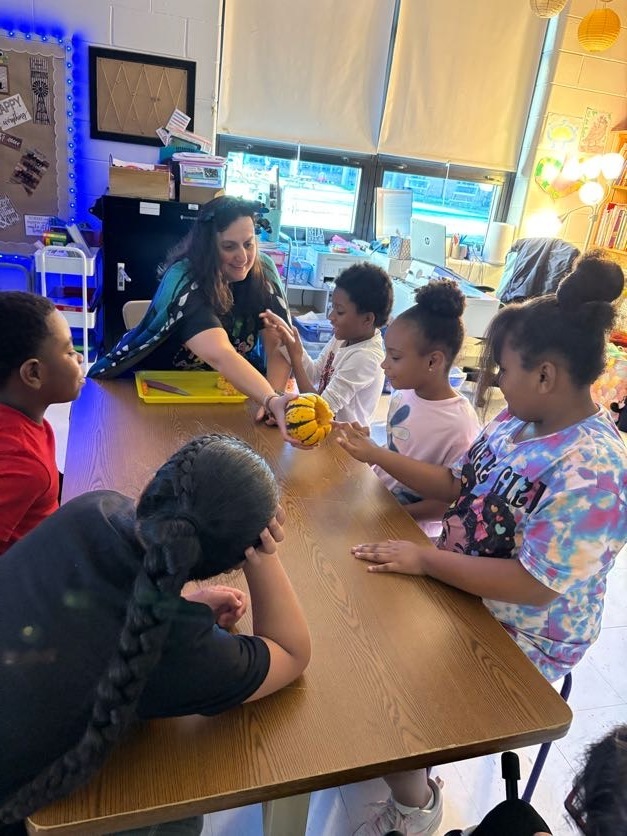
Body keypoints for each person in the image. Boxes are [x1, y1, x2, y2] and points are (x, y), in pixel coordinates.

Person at [336, 251, 627, 835]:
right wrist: (374, 455)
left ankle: (416, 806)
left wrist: (425, 559)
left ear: (545, 375)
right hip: (458, 585)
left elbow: (533, 586)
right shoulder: (514, 421)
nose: (493, 379)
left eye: (504, 369)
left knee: (387, 689)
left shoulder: (595, 469)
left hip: (520, 635)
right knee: (350, 631)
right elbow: (456, 484)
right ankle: (387, 767)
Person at [0, 433, 311, 835]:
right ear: (228, 558)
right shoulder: (175, 646)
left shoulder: (93, 508)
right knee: (177, 805)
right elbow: (291, 651)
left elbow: (91, 608)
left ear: (149, 489)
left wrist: (185, 606)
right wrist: (261, 552)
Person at [87, 196, 296, 439]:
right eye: (229, 247)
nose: (243, 257)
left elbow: (279, 342)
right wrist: (270, 399)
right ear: (207, 246)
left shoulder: (264, 272)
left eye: (248, 244)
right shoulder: (183, 278)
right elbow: (220, 353)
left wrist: (274, 398)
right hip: (150, 388)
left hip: (223, 393)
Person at [342, 279, 480, 538]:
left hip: (411, 532)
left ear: (433, 361)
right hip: (376, 506)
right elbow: (400, 450)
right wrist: (367, 442)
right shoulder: (403, 393)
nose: (384, 365)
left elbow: (451, 498)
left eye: (395, 357)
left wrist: (395, 515)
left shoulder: (459, 424)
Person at [0, 291, 84, 556]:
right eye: (70, 351)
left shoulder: (24, 421)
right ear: (33, 373)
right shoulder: (24, 464)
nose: (80, 358)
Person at [261, 262, 393, 425]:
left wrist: (296, 358)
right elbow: (314, 374)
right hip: (324, 432)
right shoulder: (344, 337)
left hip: (341, 444)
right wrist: (288, 341)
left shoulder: (366, 358)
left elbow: (318, 411)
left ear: (367, 319)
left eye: (340, 311)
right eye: (332, 307)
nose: (331, 316)